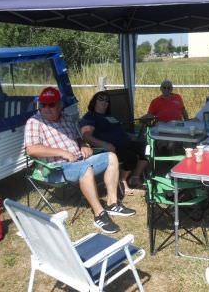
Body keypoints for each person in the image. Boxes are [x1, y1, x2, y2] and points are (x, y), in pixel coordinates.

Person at [25, 87, 135, 234]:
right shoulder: (34, 122)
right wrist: (62, 153)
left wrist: (84, 145)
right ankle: (99, 215)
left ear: (59, 105)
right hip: (56, 168)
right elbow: (31, 149)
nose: (46, 108)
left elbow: (78, 139)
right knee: (85, 169)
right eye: (42, 105)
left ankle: (112, 203)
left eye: (51, 105)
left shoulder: (67, 118)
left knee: (111, 157)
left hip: (78, 160)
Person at [80, 91, 148, 196]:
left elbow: (119, 131)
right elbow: (86, 136)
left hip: (125, 143)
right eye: (101, 99)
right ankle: (122, 181)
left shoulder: (110, 116)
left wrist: (131, 136)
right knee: (131, 157)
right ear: (94, 101)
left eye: (107, 100)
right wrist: (103, 144)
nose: (104, 102)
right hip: (110, 148)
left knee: (147, 149)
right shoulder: (90, 116)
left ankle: (134, 177)